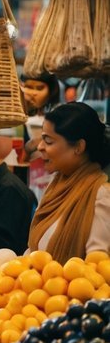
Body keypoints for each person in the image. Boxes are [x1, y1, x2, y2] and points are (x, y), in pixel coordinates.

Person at [28, 103, 110, 261]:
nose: (40, 146)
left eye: (48, 141)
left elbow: (97, 265)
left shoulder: (101, 197)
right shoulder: (56, 186)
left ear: (78, 147)